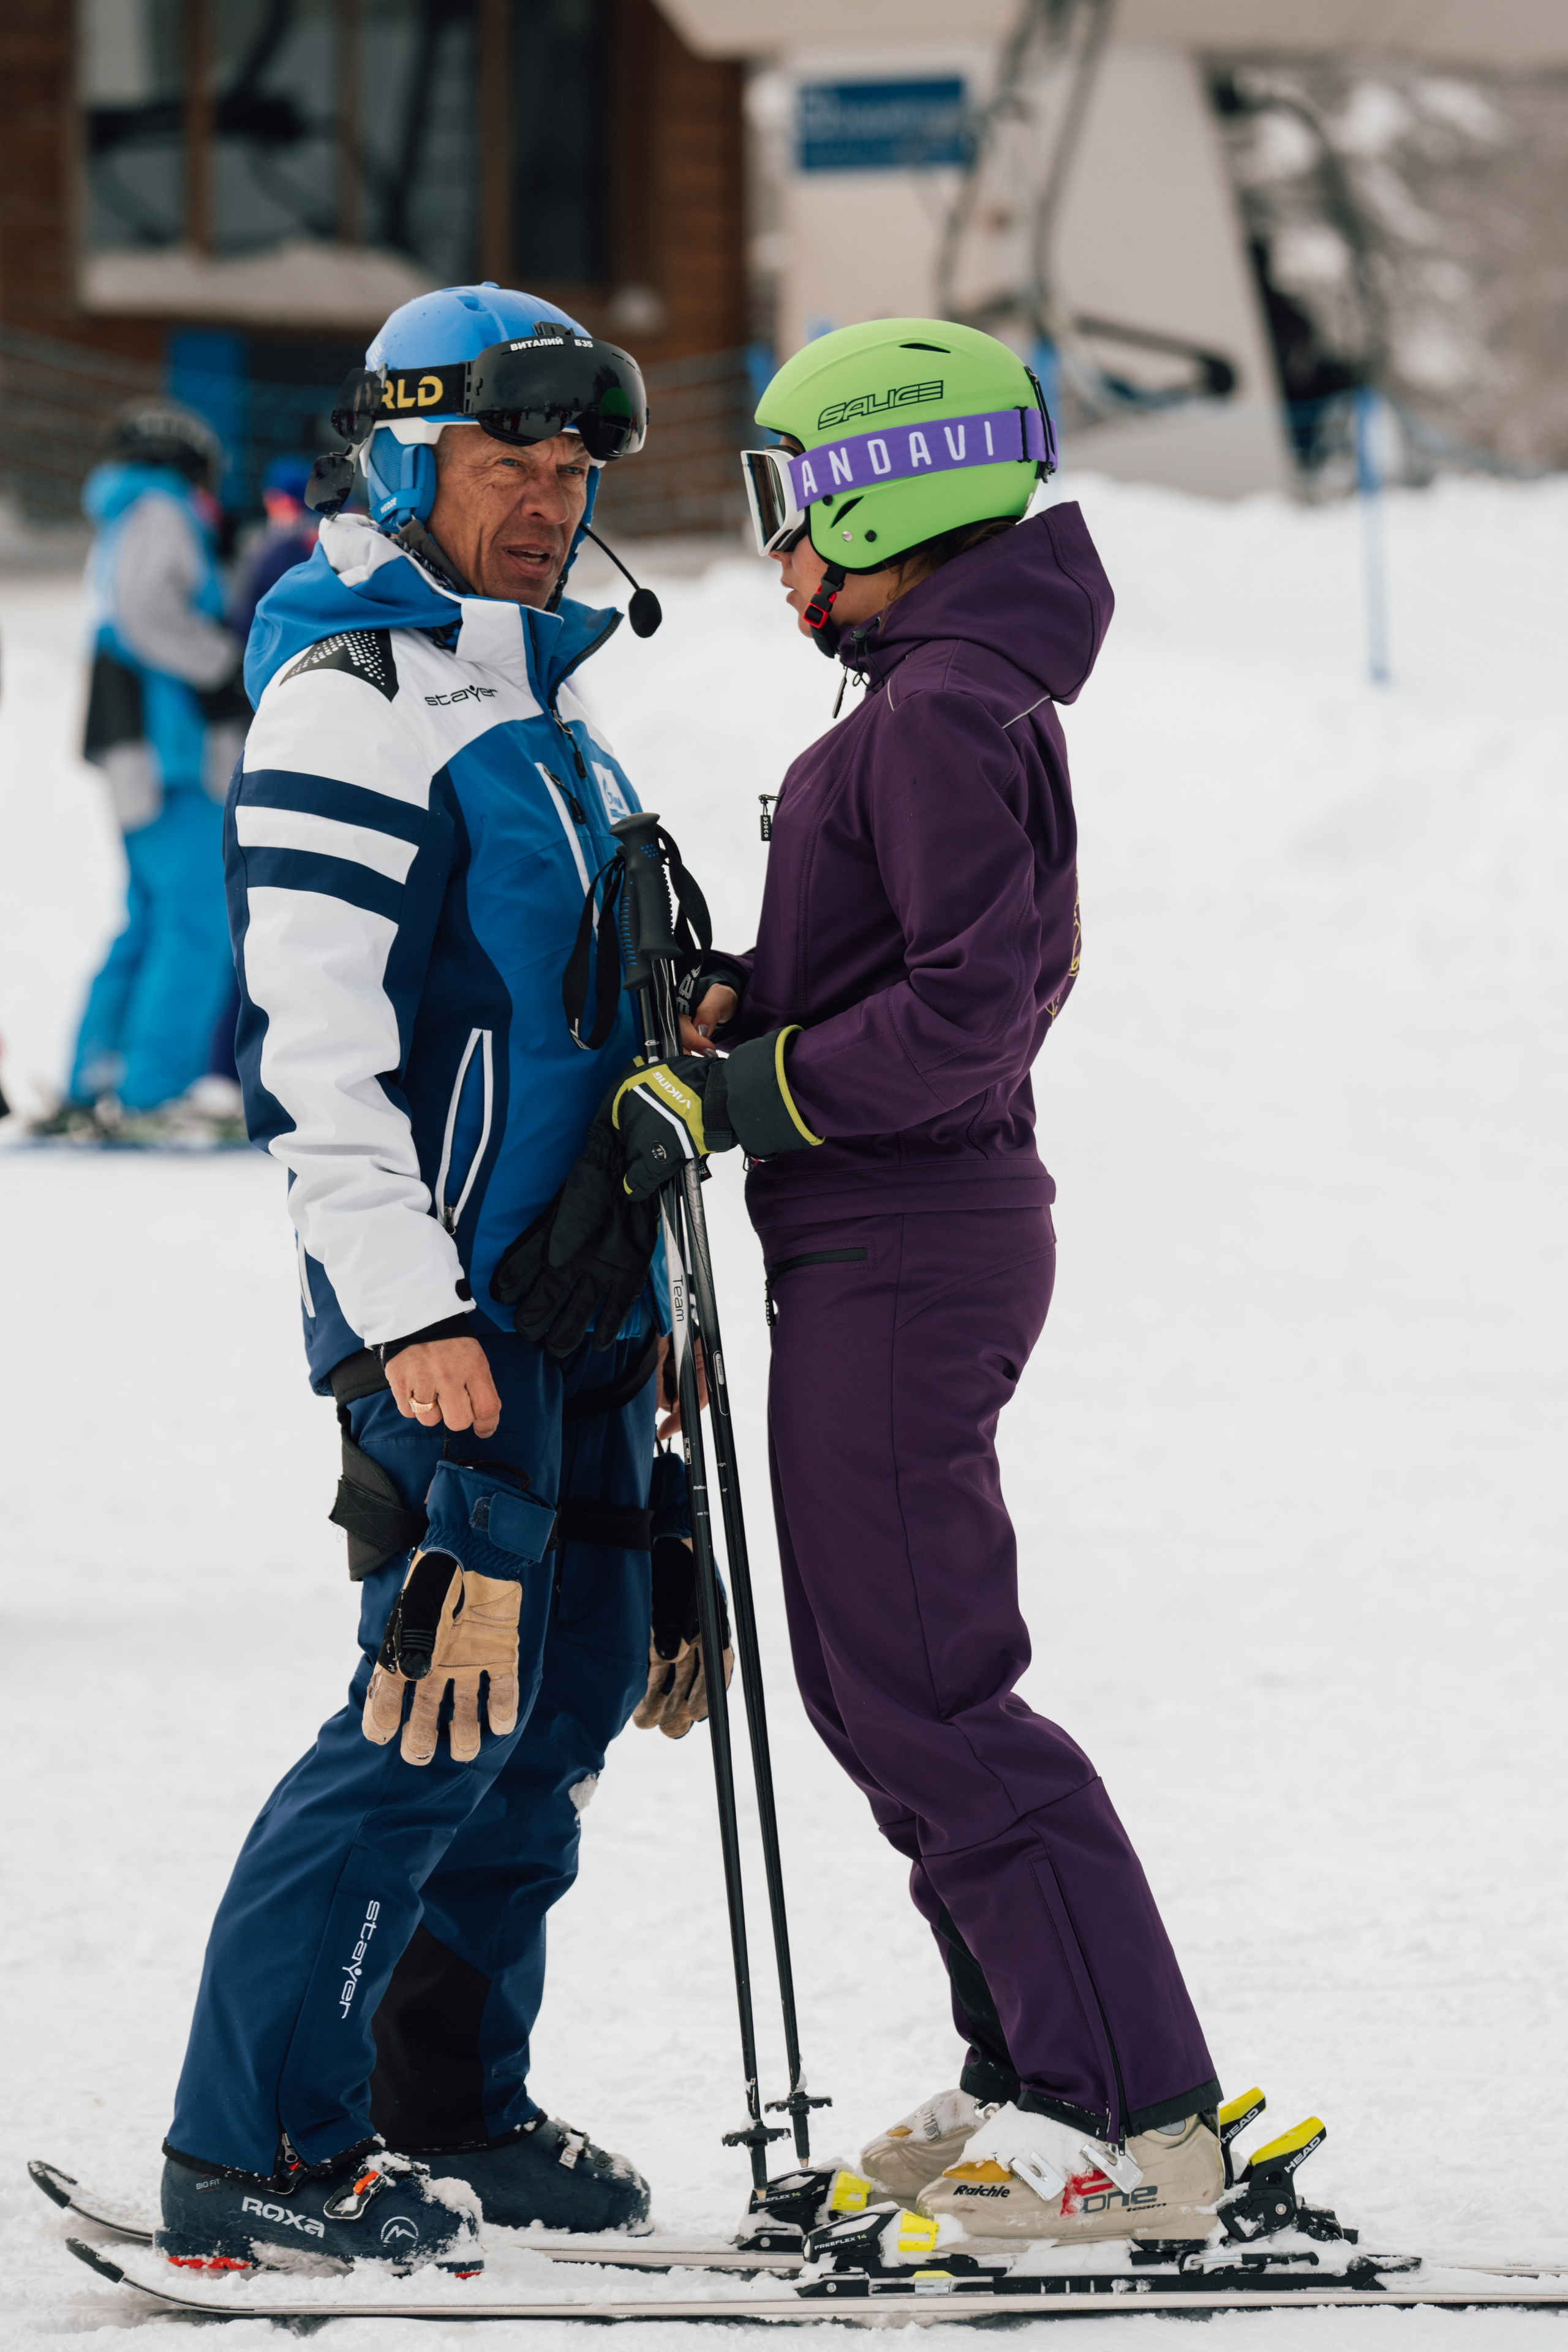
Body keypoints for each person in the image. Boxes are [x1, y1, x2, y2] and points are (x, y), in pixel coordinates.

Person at [560, 319, 1227, 2248]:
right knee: (870, 1679)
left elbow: (969, 1005)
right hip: (881, 1228)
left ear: (890, 486)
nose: (772, 557)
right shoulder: (936, 697)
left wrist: (742, 1086)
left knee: (932, 1684)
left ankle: (1130, 2116)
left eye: (785, 505)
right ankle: (1039, 2065)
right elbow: (904, 975)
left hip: (906, 1236)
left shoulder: (935, 710)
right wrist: (739, 1008)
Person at [154, 283, 680, 2277]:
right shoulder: (350, 692)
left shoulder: (538, 692)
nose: (549, 502)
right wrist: (409, 1315)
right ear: (400, 457)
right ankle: (258, 2145)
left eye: (572, 470)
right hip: (449, 1318)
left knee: (556, 1713)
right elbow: (316, 1052)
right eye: (505, 463)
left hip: (583, 1302)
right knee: (423, 1720)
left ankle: (441, 2091)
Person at [39, 400, 249, 1143]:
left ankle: (96, 1078)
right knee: (196, 918)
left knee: (151, 917)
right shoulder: (161, 510)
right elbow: (145, 613)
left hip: (142, 747)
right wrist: (223, 664)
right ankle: (152, 1092)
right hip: (171, 752)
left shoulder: (126, 514)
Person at [228, 454, 320, 646]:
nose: (279, 507)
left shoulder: (316, 541)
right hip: (253, 634)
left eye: (287, 501)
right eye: (274, 499)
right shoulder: (256, 540)